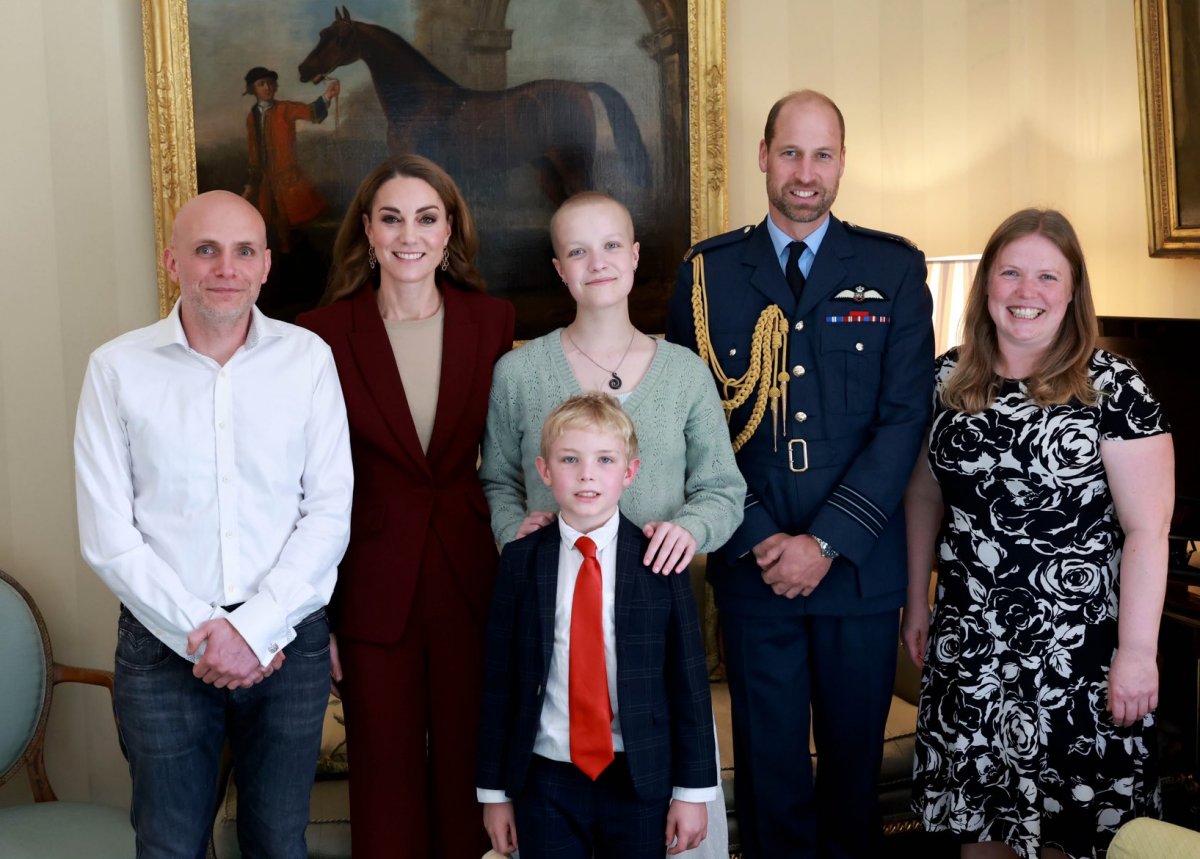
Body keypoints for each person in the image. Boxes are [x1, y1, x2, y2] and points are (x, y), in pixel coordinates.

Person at [666, 90, 935, 858]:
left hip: (858, 574)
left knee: (853, 780)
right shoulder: (706, 275)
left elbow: (902, 423)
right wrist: (760, 538)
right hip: (755, 574)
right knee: (769, 775)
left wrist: (825, 542)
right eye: (790, 152)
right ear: (762, 155)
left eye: (822, 155)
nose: (805, 172)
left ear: (842, 162)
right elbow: (696, 424)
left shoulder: (892, 267)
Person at [74, 190, 353, 859]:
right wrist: (209, 636)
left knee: (279, 843)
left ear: (264, 266)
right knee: (169, 843)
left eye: (242, 252)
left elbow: (329, 511)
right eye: (206, 250)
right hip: (161, 648)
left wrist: (253, 628)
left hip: (287, 644)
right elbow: (108, 534)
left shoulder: (308, 359)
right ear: (174, 261)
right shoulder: (116, 368)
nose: (225, 267)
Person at [902, 208, 1174, 859]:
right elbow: (923, 493)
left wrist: (1138, 650)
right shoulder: (943, 380)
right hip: (971, 647)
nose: (1028, 293)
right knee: (982, 835)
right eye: (1012, 273)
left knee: (1070, 839)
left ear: (1073, 291)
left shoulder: (1115, 388)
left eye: (1048, 276)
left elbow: (1148, 529)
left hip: (1079, 656)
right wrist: (917, 600)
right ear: (987, 284)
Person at [480, 190, 743, 857]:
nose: (595, 262)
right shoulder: (517, 372)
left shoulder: (684, 373)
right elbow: (499, 478)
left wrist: (690, 528)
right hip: (559, 615)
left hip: (653, 621)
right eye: (577, 250)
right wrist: (518, 535)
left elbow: (721, 487)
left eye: (609, 246)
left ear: (633, 257)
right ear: (559, 268)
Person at [296, 154, 514, 859]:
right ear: (368, 231)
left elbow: (510, 456)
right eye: (391, 218)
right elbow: (304, 483)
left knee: (467, 778)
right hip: (367, 586)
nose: (409, 234)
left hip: (469, 577)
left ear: (450, 230)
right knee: (384, 788)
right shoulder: (322, 333)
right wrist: (316, 615)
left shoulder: (492, 320)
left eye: (426, 217)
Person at [477, 392, 719, 858]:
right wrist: (494, 795)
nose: (587, 474)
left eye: (605, 459)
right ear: (545, 471)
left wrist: (692, 792)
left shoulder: (660, 562)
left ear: (629, 472)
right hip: (544, 775)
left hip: (638, 776)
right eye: (570, 459)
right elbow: (498, 684)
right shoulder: (521, 561)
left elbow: (689, 685)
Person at [242, 66, 341, 252]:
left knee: (300, 226)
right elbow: (254, 154)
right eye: (261, 84)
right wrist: (250, 185)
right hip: (265, 183)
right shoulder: (251, 117)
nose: (267, 87)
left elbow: (312, 112)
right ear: (252, 89)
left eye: (270, 83)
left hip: (289, 181)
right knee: (268, 228)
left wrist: (328, 95)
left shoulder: (285, 109)